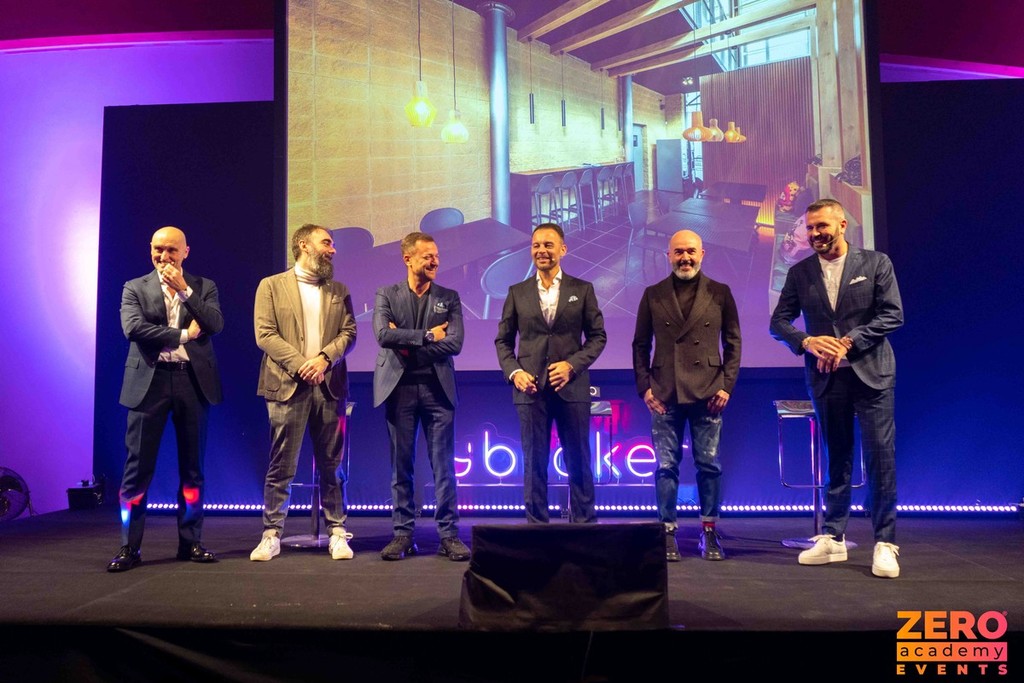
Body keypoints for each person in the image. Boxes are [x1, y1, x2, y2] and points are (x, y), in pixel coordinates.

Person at [770, 198, 904, 578]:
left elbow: (892, 314)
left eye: (822, 226)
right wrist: (807, 341)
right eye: (810, 228)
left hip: (872, 373)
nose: (815, 234)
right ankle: (833, 536)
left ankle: (885, 543)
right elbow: (778, 323)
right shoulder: (800, 272)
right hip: (826, 378)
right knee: (837, 458)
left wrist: (848, 342)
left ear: (842, 225)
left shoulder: (875, 263)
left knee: (880, 458)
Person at [107, 226, 223, 572]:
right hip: (150, 382)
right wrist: (183, 334)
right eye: (158, 249)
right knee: (136, 471)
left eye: (172, 250)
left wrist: (185, 291)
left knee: (193, 470)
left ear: (185, 252)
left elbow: (214, 324)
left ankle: (191, 542)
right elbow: (133, 328)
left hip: (191, 381)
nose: (164, 256)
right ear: (150, 249)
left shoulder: (203, 286)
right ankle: (129, 547)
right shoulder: (135, 287)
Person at [632, 230, 741, 562]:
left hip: (709, 392)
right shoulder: (653, 294)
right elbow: (640, 345)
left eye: (691, 251)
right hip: (664, 392)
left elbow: (733, 343)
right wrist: (645, 388)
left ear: (702, 254)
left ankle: (709, 532)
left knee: (709, 464)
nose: (685, 258)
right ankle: (667, 532)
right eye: (678, 252)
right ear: (668, 255)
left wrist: (726, 385)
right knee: (666, 466)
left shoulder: (720, 292)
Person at [250, 224, 357, 562]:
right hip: (286, 386)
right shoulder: (271, 285)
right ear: (303, 245)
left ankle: (337, 532)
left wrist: (324, 359)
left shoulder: (338, 289)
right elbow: (265, 334)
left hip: (329, 385)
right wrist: (302, 365)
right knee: (282, 464)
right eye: (327, 242)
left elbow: (349, 333)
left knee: (332, 466)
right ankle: (271, 534)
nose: (333, 250)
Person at [495, 223, 607, 524]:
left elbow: (598, 337)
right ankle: (537, 529)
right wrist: (514, 372)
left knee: (579, 460)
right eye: (536, 245)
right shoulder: (517, 292)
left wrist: (572, 365)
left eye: (548, 245)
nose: (541, 251)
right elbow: (503, 341)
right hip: (530, 390)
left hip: (572, 388)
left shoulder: (582, 289)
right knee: (534, 462)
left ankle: (583, 527)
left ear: (563, 249)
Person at [372, 232, 470, 562]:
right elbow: (383, 335)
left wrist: (407, 347)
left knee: (444, 467)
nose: (435, 261)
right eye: (428, 256)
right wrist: (428, 336)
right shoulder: (386, 294)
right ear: (408, 259)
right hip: (398, 389)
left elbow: (455, 343)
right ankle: (402, 534)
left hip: (437, 390)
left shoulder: (449, 297)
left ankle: (449, 535)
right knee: (401, 466)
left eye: (436, 256)